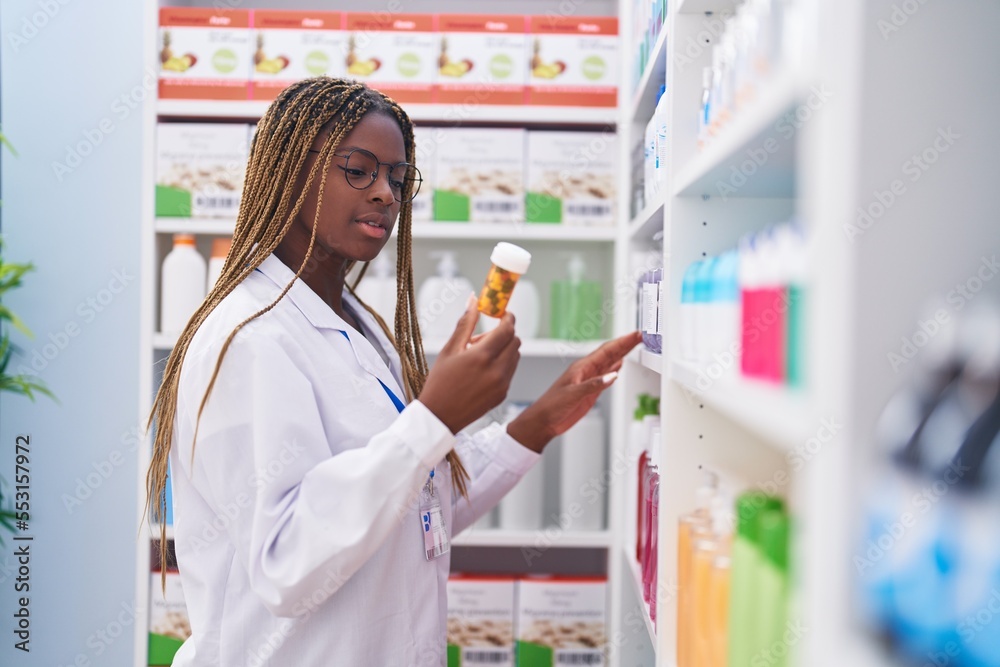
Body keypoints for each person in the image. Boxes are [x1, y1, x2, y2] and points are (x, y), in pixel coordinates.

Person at [146, 76, 641, 666]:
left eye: (398, 178)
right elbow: (286, 566)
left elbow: (413, 512)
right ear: (291, 171)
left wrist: (536, 423)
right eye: (358, 169)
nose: (384, 192)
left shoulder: (360, 324)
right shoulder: (251, 338)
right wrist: (432, 418)